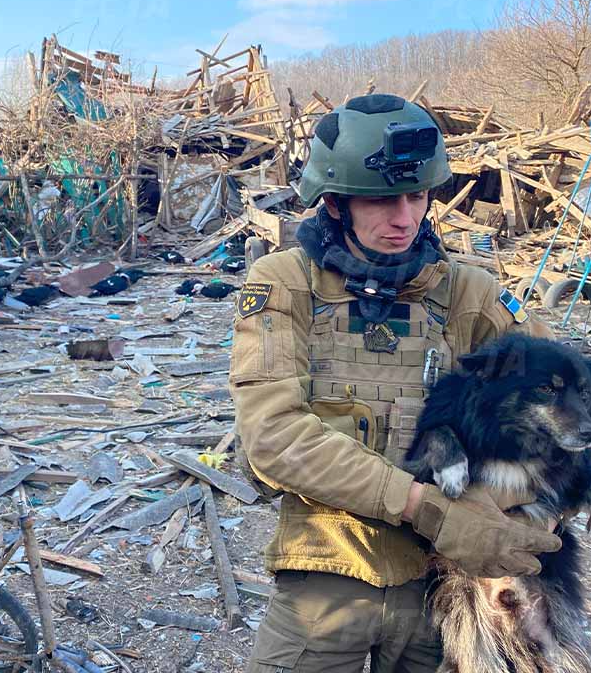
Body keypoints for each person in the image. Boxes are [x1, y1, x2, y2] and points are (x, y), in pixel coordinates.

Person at [230, 94, 562, 672]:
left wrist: (512, 507)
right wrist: (429, 509)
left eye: (417, 196)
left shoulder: (472, 295)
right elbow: (274, 434)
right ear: (334, 204)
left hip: (447, 590)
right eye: (382, 200)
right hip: (328, 576)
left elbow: (563, 409)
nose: (404, 218)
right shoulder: (284, 284)